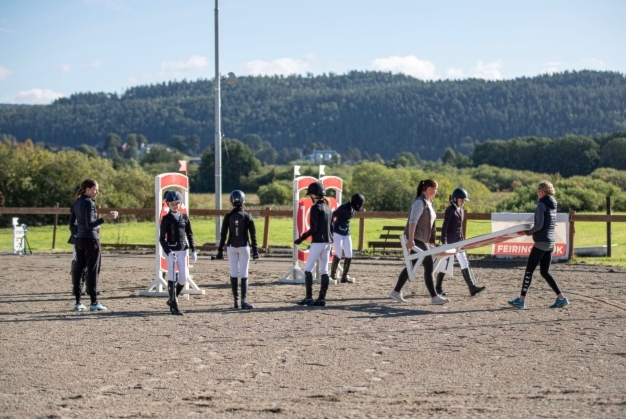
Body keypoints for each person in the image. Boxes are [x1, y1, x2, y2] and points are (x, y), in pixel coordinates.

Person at [508, 181, 569, 309]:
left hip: (541, 242)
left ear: (542, 191)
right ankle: (561, 298)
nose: (537, 193)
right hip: (551, 242)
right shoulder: (553, 203)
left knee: (529, 271)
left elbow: (539, 225)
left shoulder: (541, 205)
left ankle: (521, 300)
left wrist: (528, 232)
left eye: (538, 191)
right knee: (545, 272)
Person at [389, 179, 448, 305]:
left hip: (423, 240)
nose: (437, 191)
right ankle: (434, 297)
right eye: (435, 188)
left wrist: (430, 241)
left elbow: (430, 224)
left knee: (411, 266)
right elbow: (413, 222)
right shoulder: (419, 203)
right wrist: (410, 239)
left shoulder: (429, 203)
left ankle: (396, 292)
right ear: (429, 189)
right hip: (416, 239)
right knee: (428, 265)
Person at [72, 178, 118, 311]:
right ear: (87, 189)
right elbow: (90, 224)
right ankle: (93, 302)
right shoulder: (89, 203)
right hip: (90, 240)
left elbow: (72, 222)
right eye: (95, 189)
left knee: (79, 270)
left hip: (79, 239)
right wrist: (105, 217)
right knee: (92, 271)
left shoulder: (77, 203)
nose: (97, 192)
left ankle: (78, 302)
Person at [436, 187, 486, 296]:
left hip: (459, 242)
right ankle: (438, 287)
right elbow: (445, 227)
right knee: (445, 264)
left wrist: (463, 240)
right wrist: (444, 241)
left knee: (464, 262)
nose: (463, 202)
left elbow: (459, 228)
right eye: (461, 200)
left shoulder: (461, 211)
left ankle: (472, 287)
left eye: (464, 200)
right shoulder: (450, 210)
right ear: (455, 199)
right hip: (450, 242)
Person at [216, 190, 259, 310]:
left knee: (233, 272)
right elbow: (253, 235)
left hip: (231, 247)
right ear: (243, 201)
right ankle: (244, 301)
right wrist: (255, 251)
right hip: (244, 246)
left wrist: (220, 250)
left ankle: (235, 301)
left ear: (231, 202)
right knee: (244, 273)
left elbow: (223, 235)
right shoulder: (247, 216)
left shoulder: (228, 216)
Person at [294, 181, 333, 306]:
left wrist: (301, 238)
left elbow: (314, 228)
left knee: (308, 269)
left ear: (313, 195)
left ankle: (309, 297)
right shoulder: (328, 208)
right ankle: (322, 299)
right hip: (328, 242)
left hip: (318, 242)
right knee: (324, 270)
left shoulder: (315, 208)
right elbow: (331, 227)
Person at [159, 190, 197, 315]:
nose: (175, 205)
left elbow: (190, 234)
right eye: (172, 204)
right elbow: (162, 238)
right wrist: (168, 251)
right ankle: (174, 306)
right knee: (172, 275)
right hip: (171, 250)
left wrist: (194, 249)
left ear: (180, 204)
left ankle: (171, 298)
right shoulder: (166, 219)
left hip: (183, 249)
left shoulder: (184, 217)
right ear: (168, 205)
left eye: (177, 203)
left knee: (183, 278)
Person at [330, 193, 365, 283]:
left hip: (346, 232)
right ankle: (332, 275)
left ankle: (344, 276)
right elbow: (333, 215)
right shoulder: (343, 207)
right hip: (337, 232)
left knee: (349, 254)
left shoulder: (353, 208)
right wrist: (330, 228)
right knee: (338, 253)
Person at [68, 185, 86, 297]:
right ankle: (77, 287)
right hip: (78, 236)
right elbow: (72, 223)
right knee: (77, 261)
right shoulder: (76, 205)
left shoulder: (87, 204)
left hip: (86, 236)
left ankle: (88, 287)